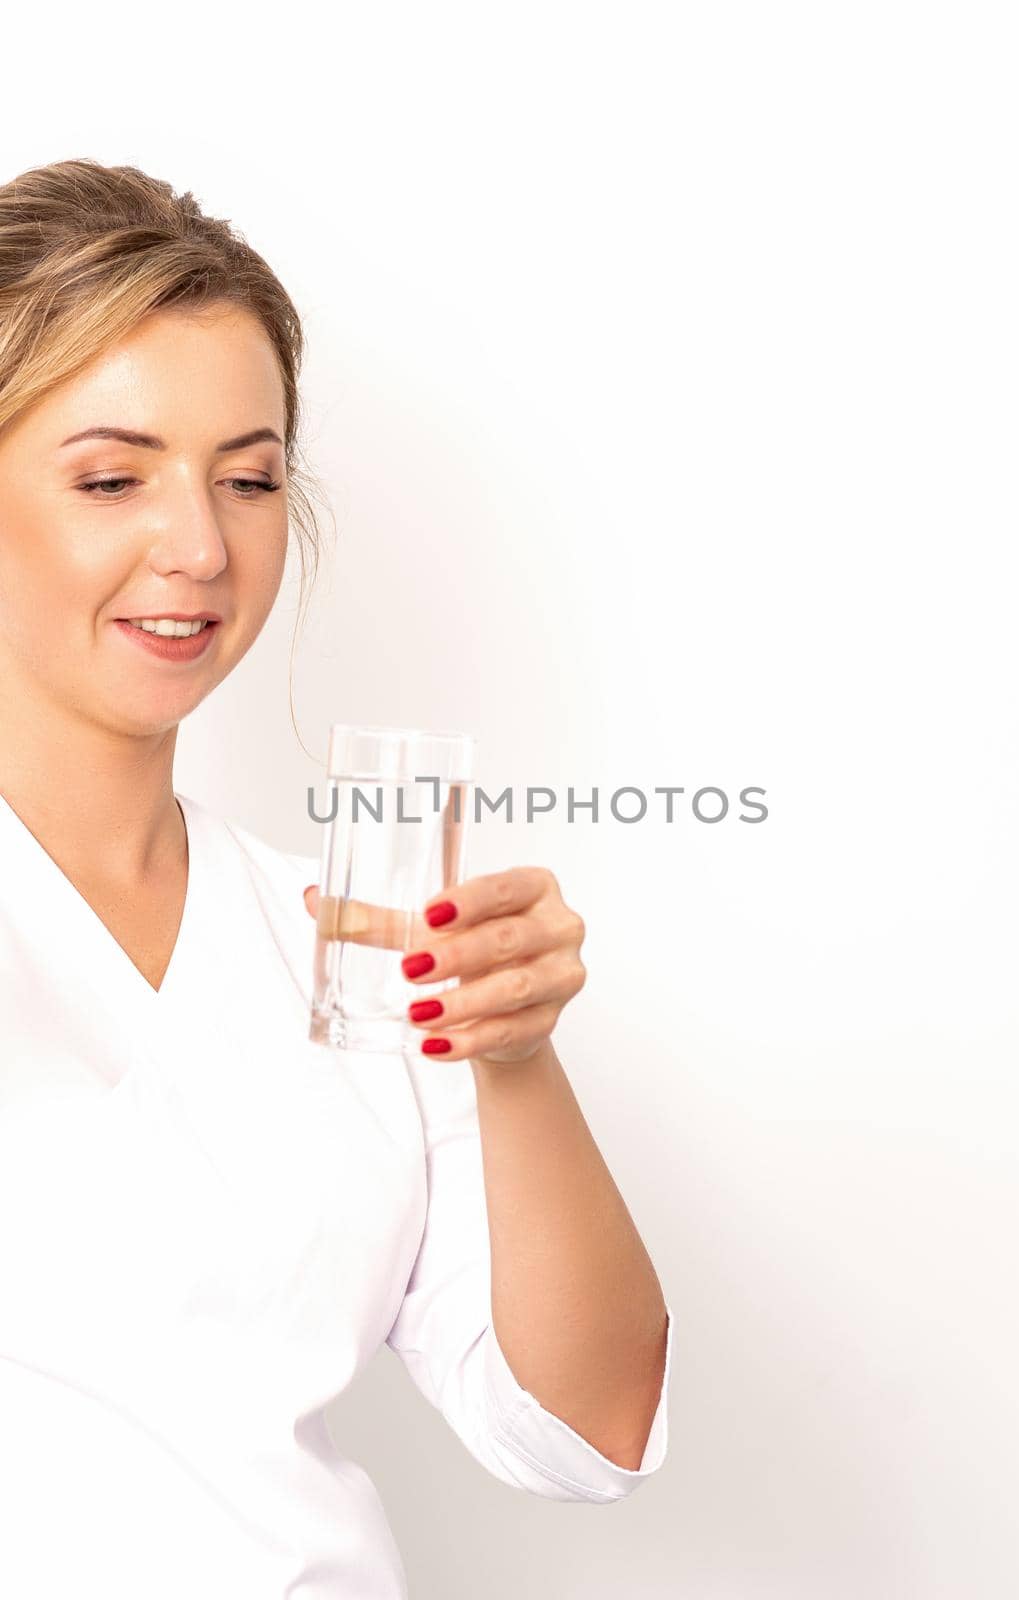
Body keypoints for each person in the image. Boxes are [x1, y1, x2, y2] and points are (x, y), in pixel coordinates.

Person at [0, 158, 674, 1599]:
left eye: (247, 478)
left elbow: (584, 1425)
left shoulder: (344, 936)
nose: (199, 545)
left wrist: (516, 1060)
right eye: (112, 477)